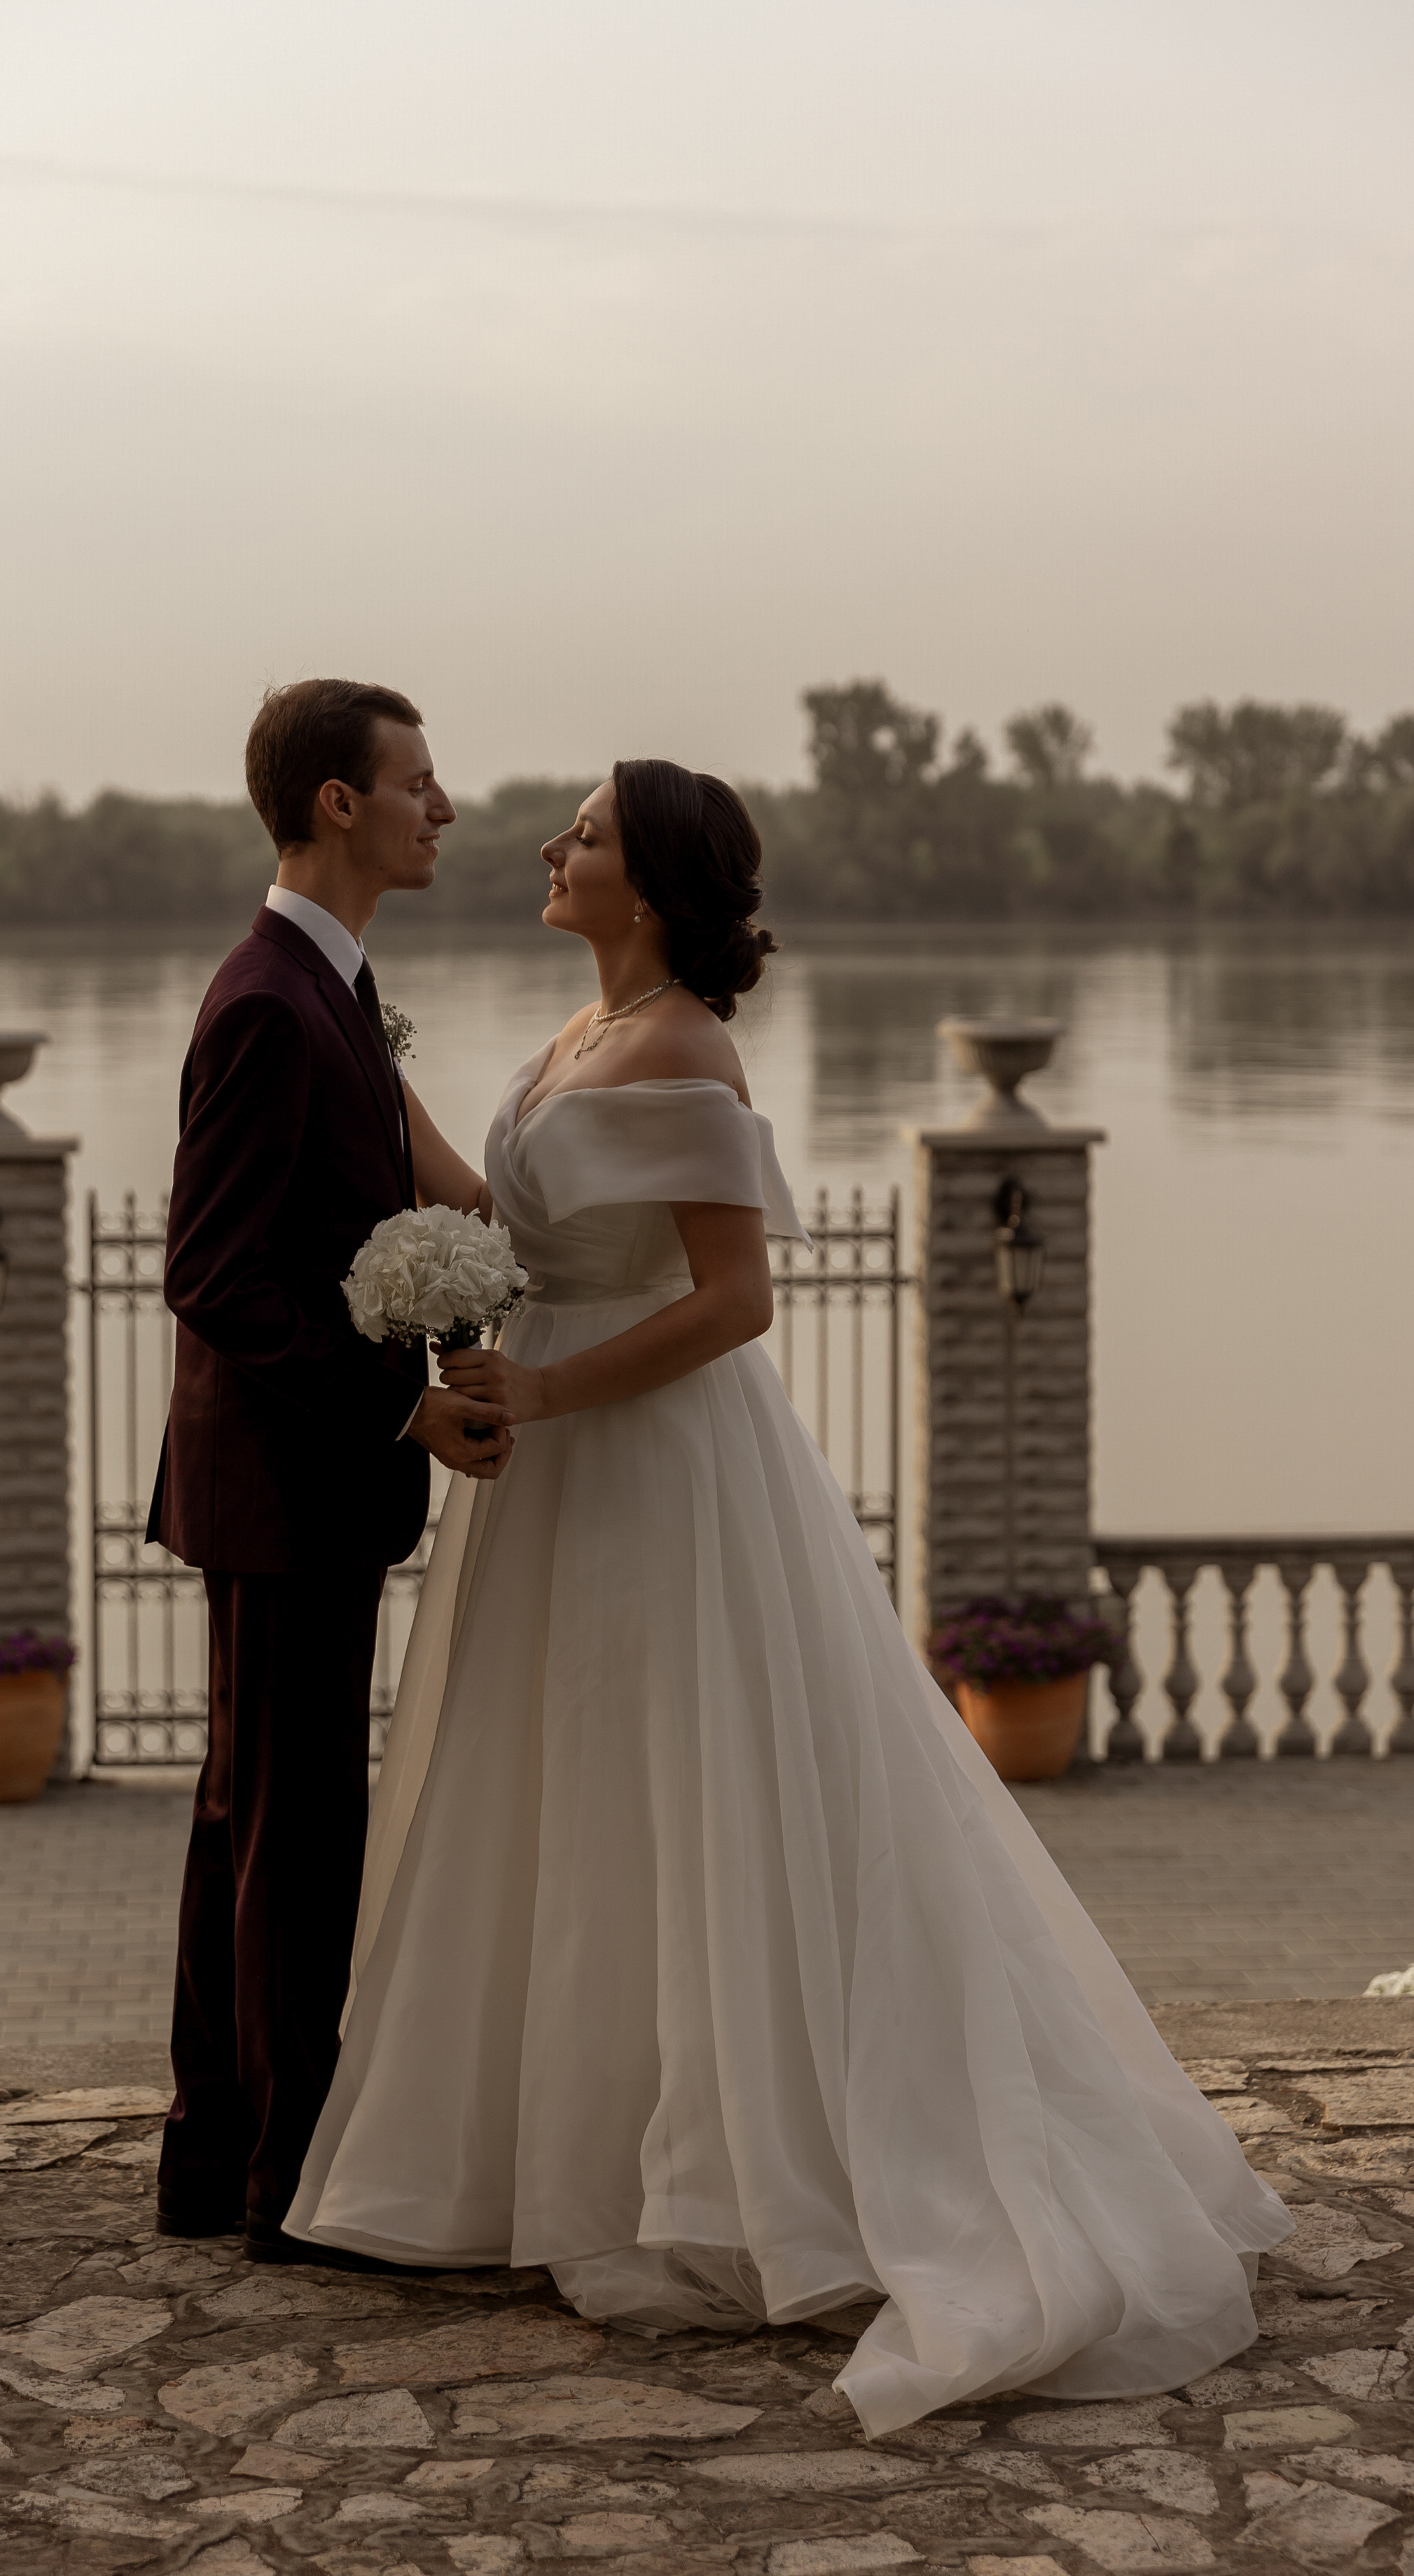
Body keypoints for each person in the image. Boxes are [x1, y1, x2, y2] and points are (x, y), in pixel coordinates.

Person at [284, 756, 1291, 2428]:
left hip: (656, 1461)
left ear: (658, 883)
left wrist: (544, 1388)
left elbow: (737, 1301)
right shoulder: (571, 1043)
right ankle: (563, 2154)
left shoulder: (685, 1043)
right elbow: (509, 1213)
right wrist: (374, 1086)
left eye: (586, 836)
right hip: (554, 1480)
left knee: (692, 1782)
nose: (548, 846)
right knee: (574, 1790)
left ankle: (743, 2167)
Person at [146, 677, 513, 2264]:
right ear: (338, 803)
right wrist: (399, 1413)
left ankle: (219, 2151)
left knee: (256, 1815)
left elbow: (366, 1206)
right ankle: (282, 2178)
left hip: (296, 1490)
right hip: (287, 1488)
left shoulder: (333, 994)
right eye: (419, 782)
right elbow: (215, 1277)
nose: (446, 806)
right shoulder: (264, 1006)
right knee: (288, 1831)